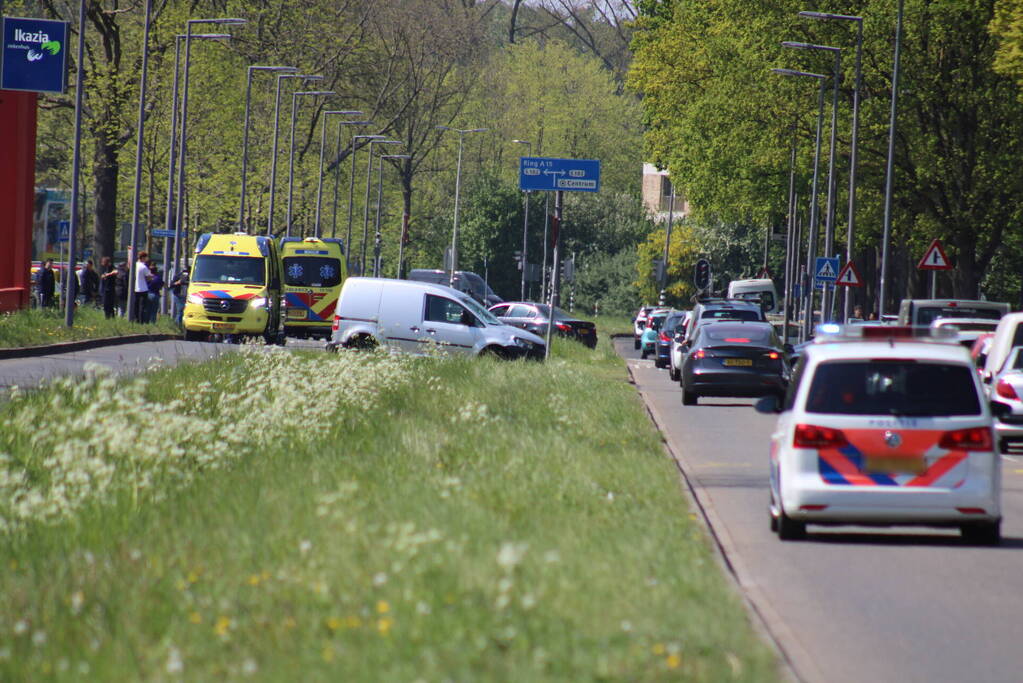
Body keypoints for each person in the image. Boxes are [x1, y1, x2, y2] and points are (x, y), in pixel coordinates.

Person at [132, 251, 151, 323]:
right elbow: (148, 277)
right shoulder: (143, 267)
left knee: (136, 306)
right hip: (143, 288)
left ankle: (135, 319)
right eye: (146, 257)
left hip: (135, 288)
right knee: (143, 307)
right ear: (143, 258)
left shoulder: (134, 265)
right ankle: (141, 321)